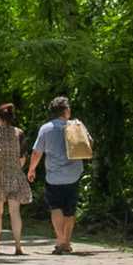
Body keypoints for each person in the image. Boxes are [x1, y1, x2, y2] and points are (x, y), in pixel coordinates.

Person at [27, 94, 86, 254]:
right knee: (70, 210)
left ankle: (60, 238)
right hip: (73, 175)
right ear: (66, 110)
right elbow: (89, 144)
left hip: (53, 177)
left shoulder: (46, 129)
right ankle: (66, 242)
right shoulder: (77, 126)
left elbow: (37, 153)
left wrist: (31, 169)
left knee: (56, 207)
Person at [0, 103, 29, 254]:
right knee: (15, 211)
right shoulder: (19, 133)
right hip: (16, 175)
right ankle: (18, 245)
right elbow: (22, 157)